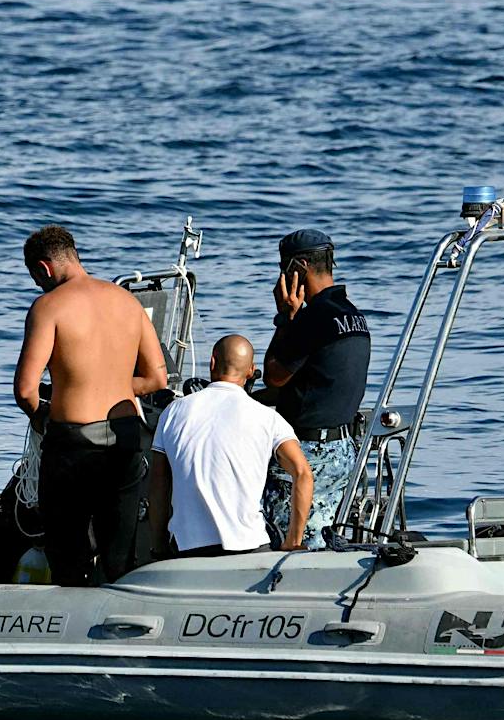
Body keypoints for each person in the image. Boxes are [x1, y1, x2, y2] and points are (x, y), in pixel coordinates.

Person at [13, 224, 169, 587]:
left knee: (68, 556)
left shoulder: (48, 307)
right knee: (119, 552)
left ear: (43, 268)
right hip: (126, 438)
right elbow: (157, 379)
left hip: (73, 443)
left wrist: (41, 418)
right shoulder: (127, 302)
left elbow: (25, 389)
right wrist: (110, 382)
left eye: (36, 278)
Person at [149, 335, 313, 556]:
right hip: (249, 545)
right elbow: (303, 473)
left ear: (212, 362)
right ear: (251, 371)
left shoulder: (173, 412)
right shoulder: (269, 418)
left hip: (188, 547)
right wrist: (293, 540)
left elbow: (159, 483)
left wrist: (159, 546)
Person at [263, 228, 371, 545]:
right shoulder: (353, 316)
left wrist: (284, 318)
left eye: (284, 269)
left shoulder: (314, 319)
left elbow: (274, 376)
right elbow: (318, 380)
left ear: (299, 268)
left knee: (284, 538)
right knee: (321, 538)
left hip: (309, 452)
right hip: (342, 448)